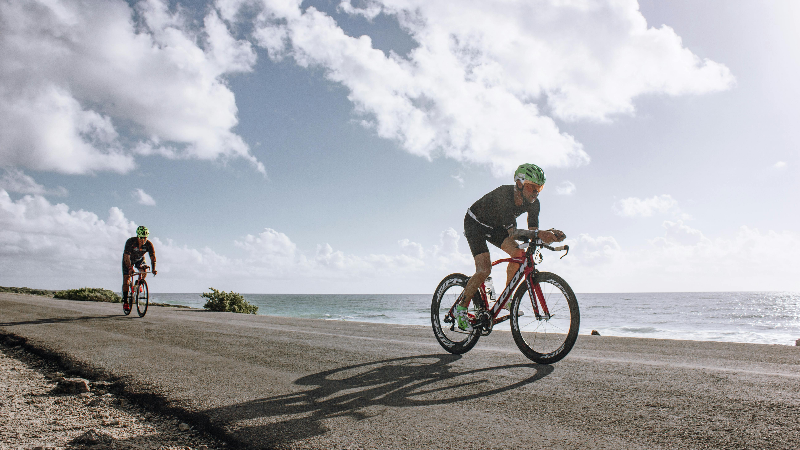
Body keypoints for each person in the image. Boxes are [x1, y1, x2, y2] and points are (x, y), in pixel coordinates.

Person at [455, 163, 565, 331]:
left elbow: (533, 233)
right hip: (475, 223)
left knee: (519, 253)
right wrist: (539, 234)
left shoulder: (534, 204)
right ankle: (461, 309)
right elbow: (513, 233)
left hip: (496, 227)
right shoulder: (504, 196)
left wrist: (547, 236)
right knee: (484, 269)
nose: (535, 192)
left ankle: (507, 298)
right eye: (532, 187)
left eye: (539, 188)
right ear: (519, 184)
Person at [122, 226, 157, 312]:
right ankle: (126, 301)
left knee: (144, 270)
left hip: (139, 259)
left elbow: (153, 258)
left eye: (145, 238)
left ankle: (138, 283)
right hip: (128, 260)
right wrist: (130, 268)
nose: (143, 240)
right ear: (138, 236)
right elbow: (126, 257)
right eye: (141, 238)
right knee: (126, 279)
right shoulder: (131, 242)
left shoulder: (149, 244)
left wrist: (153, 269)